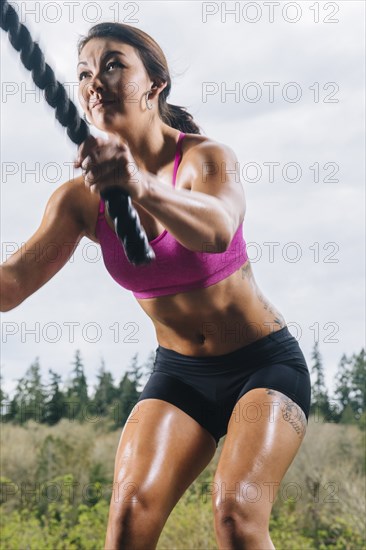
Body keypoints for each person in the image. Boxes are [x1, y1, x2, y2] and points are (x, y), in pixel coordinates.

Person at [0, 22, 311, 550]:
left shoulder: (205, 159)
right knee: (127, 522)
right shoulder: (79, 200)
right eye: (83, 73)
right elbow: (9, 288)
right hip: (180, 375)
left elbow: (215, 230)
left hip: (263, 365)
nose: (94, 81)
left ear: (155, 85)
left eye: (113, 64)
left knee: (236, 515)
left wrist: (138, 184)